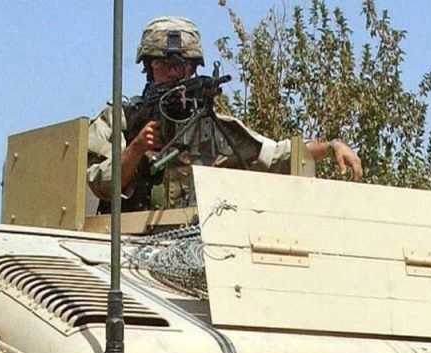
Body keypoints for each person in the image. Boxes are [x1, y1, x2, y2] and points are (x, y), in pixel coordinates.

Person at [87, 15, 363, 212]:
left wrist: (331, 146)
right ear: (148, 67)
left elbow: (277, 157)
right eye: (163, 64)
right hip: (125, 246)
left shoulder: (212, 126)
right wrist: (136, 149)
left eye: (181, 65)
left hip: (190, 247)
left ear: (193, 69)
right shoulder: (120, 119)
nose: (173, 73)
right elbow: (98, 185)